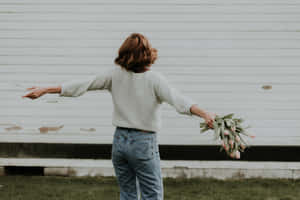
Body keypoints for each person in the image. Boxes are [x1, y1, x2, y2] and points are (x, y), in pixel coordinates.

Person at [22, 33, 216, 200]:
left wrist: (46, 89)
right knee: (153, 195)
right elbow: (180, 101)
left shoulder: (115, 75)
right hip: (143, 143)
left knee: (127, 195)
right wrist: (205, 113)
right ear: (147, 54)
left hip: (120, 143)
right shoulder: (154, 79)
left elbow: (82, 85)